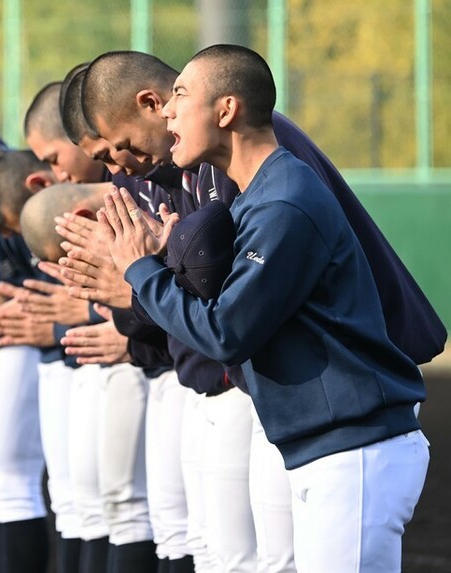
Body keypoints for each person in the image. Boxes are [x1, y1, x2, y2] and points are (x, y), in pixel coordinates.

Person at [104, 44, 429, 573]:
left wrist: (141, 270)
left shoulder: (283, 200)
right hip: (330, 450)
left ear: (226, 111)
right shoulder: (259, 195)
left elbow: (227, 333)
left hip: (356, 452)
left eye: (181, 95)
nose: (167, 110)